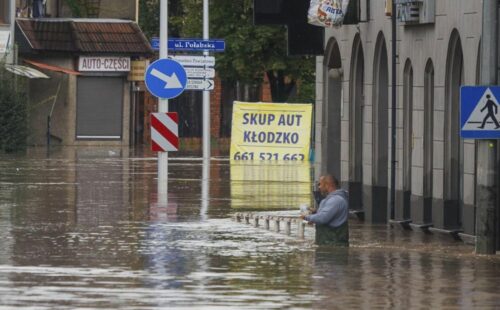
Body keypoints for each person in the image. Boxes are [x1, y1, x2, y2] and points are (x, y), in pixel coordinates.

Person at [301, 174, 349, 246]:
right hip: (328, 244)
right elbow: (327, 215)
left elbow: (323, 218)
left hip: (333, 247)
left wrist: (306, 216)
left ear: (327, 185)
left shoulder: (335, 200)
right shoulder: (331, 199)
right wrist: (316, 213)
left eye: (320, 184)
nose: (319, 187)